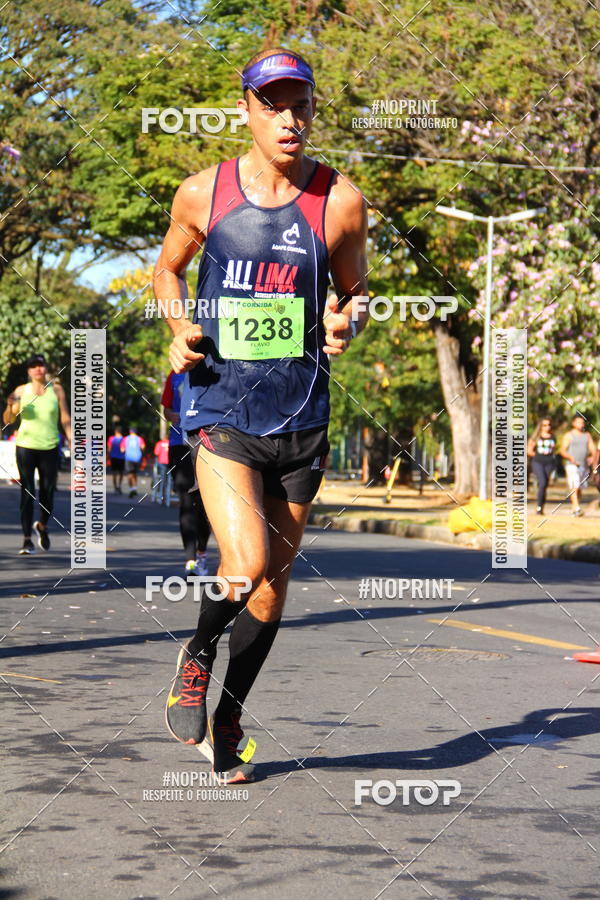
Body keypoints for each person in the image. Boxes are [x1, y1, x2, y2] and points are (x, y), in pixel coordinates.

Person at [153, 47, 368, 783]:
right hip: (221, 406)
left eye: (300, 104)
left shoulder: (340, 201)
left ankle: (231, 713)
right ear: (244, 110)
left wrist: (347, 319)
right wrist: (179, 327)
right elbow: (167, 270)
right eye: (272, 104)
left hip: (302, 415)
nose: (289, 118)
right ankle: (196, 656)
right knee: (243, 565)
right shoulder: (201, 195)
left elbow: (356, 291)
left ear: (313, 110)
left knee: (274, 584)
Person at [2, 354, 71, 554]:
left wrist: (72, 439)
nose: (38, 369)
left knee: (48, 492)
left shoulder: (56, 389)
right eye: (33, 366)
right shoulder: (21, 391)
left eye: (40, 365)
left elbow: (65, 416)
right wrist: (9, 404)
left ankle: (42, 524)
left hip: (50, 447)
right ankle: (26, 540)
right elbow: (10, 418)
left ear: (45, 368)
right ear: (29, 371)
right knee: (27, 490)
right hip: (26, 446)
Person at [161, 370, 210, 577]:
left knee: (205, 504)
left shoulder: (213, 370)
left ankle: (202, 553)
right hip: (179, 445)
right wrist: (171, 415)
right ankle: (190, 560)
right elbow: (166, 409)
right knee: (186, 501)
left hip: (208, 445)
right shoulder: (175, 375)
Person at [560, 413, 596, 516]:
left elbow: (593, 449)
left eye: (582, 422)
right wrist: (570, 458)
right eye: (579, 422)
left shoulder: (587, 436)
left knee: (579, 487)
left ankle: (575, 508)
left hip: (583, 465)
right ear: (573, 423)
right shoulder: (569, 435)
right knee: (574, 484)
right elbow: (562, 451)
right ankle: (576, 508)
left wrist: (592, 457)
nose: (581, 424)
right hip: (572, 465)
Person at [527, 417, 557, 514]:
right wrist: (537, 455)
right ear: (540, 426)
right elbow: (529, 451)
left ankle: (541, 506)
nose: (547, 427)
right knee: (542, 482)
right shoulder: (536, 437)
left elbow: (554, 450)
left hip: (549, 463)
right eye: (544, 425)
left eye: (549, 425)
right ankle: (539, 506)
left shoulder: (553, 437)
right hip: (538, 462)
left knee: (544, 485)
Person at [120, 426, 146, 498]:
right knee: (134, 473)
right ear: (136, 432)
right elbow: (143, 447)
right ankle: (134, 488)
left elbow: (122, 449)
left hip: (129, 457)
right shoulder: (140, 439)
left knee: (129, 473)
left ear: (130, 431)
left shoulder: (126, 439)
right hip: (137, 458)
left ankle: (131, 488)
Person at [152, 433, 171, 505]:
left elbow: (156, 453)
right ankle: (167, 494)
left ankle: (162, 496)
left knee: (162, 479)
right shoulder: (171, 444)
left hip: (162, 463)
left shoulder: (159, 443)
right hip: (169, 464)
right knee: (168, 480)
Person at [107, 424, 125, 493]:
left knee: (114, 473)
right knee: (121, 473)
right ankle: (119, 486)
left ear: (116, 432)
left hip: (113, 457)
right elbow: (123, 449)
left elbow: (109, 449)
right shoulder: (123, 439)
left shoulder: (111, 438)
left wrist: (108, 457)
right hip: (121, 458)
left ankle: (115, 487)